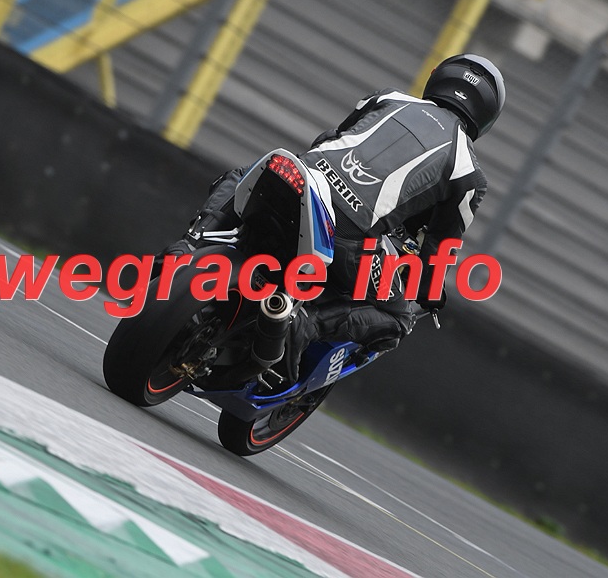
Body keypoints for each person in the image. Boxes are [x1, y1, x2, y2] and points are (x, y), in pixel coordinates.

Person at [160, 54, 506, 382]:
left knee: (241, 176)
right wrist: (429, 292)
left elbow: (330, 138)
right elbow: (440, 247)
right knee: (398, 316)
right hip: (349, 234)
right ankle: (303, 326)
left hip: (301, 179)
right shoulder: (469, 173)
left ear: (438, 78)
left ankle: (188, 246)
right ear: (486, 116)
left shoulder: (389, 97)